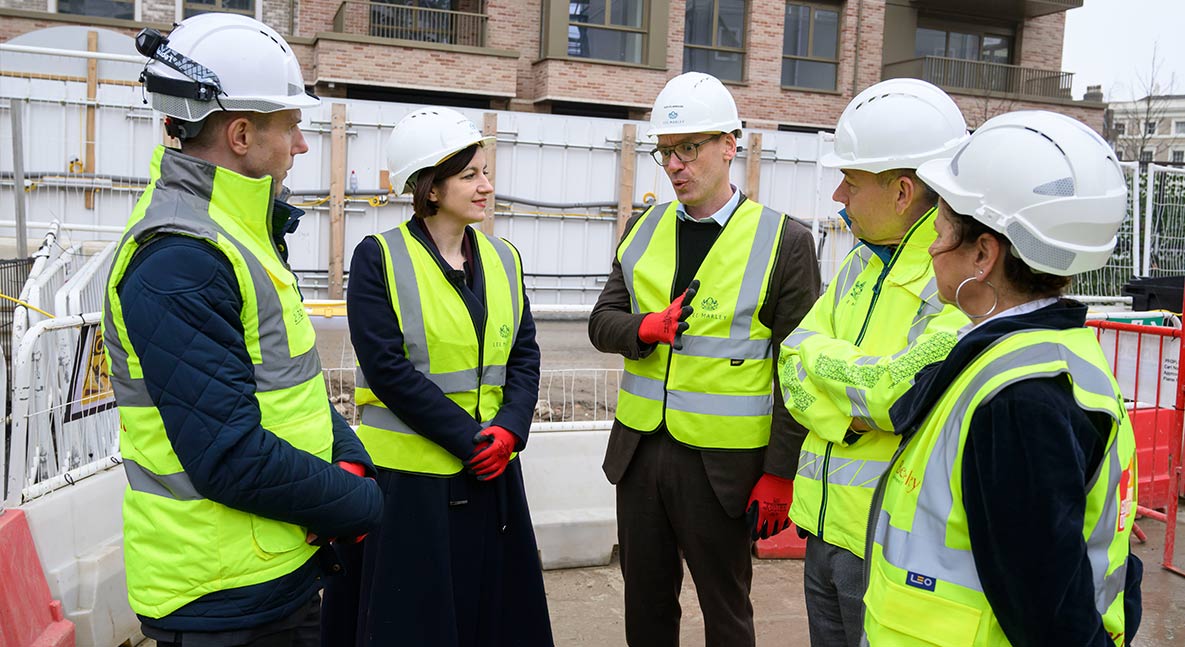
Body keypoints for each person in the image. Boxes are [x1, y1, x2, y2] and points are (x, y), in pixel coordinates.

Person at [102, 14, 383, 647]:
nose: (301, 146)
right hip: (220, 595)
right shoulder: (181, 259)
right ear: (239, 133)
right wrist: (355, 501)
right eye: (291, 127)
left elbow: (291, 389)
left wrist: (350, 462)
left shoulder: (237, 234)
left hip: (266, 568)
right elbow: (227, 455)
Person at [863, 110, 1143, 646]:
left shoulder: (1020, 400)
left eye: (942, 231)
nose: (930, 246)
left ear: (984, 254)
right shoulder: (1046, 356)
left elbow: (1051, 616)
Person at [588, 71, 820, 647]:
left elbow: (797, 370)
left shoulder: (784, 242)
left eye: (689, 148)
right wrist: (646, 327)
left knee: (726, 612)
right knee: (645, 607)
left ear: (728, 146)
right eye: (665, 151)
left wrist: (780, 472)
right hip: (640, 454)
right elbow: (602, 322)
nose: (675, 165)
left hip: (725, 468)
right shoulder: (643, 227)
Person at [322, 106, 553, 647]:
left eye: (485, 173)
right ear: (431, 187)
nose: (486, 186)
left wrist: (510, 432)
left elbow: (523, 355)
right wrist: (470, 440)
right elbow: (387, 369)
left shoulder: (504, 258)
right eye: (470, 174)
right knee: (415, 625)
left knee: (493, 620)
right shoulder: (378, 257)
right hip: (411, 489)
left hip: (493, 475)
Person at [776, 78, 970, 647]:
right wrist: (849, 409)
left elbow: (895, 398)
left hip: (890, 542)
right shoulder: (859, 264)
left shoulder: (953, 281)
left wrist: (826, 368)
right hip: (825, 529)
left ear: (903, 191)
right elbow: (790, 362)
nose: (839, 196)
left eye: (851, 181)